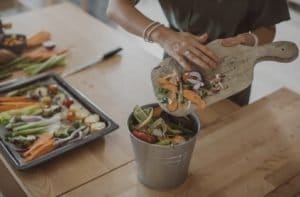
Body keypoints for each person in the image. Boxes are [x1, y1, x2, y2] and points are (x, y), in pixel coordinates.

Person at [106, 0, 290, 106]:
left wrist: (247, 41)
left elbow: (267, 28)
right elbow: (116, 7)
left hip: (232, 70)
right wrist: (164, 36)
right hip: (178, 63)